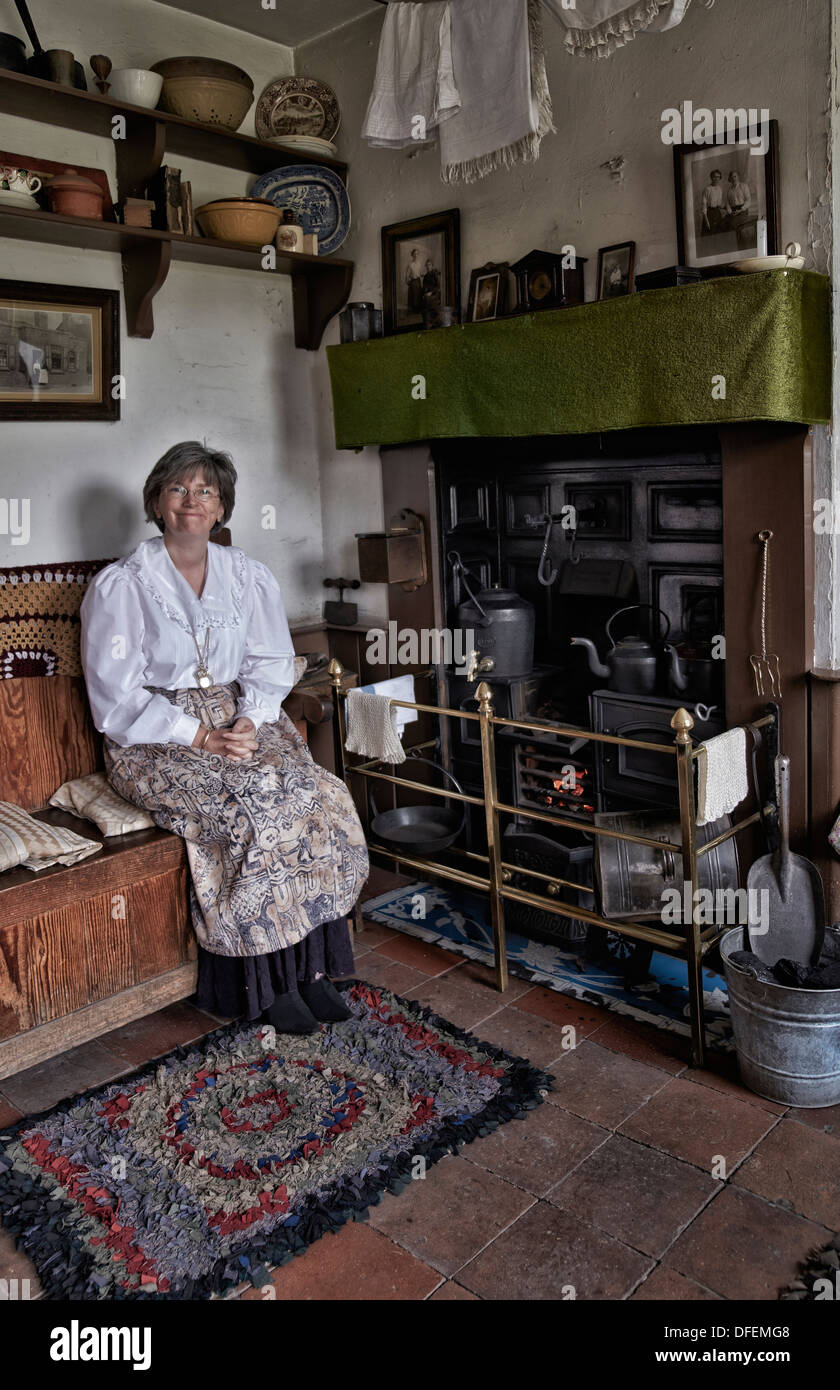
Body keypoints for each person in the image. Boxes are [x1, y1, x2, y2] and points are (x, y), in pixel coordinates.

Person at [79, 441, 369, 1035]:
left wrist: (249, 718)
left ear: (221, 507)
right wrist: (200, 736)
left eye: (205, 491)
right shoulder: (122, 585)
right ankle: (264, 986)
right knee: (249, 813)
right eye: (178, 489)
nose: (192, 500)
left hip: (244, 719)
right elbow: (115, 700)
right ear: (157, 502)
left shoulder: (248, 576)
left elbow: (269, 659)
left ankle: (312, 971)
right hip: (155, 738)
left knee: (321, 795)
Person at [700, 168, 726, 235]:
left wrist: (725, 209)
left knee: (719, 234)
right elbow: (704, 206)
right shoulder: (707, 189)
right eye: (714, 177)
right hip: (709, 214)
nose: (716, 179)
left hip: (717, 213)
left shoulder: (720, 189)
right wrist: (706, 221)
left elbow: (719, 204)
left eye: (718, 177)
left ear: (720, 178)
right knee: (710, 234)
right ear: (711, 177)